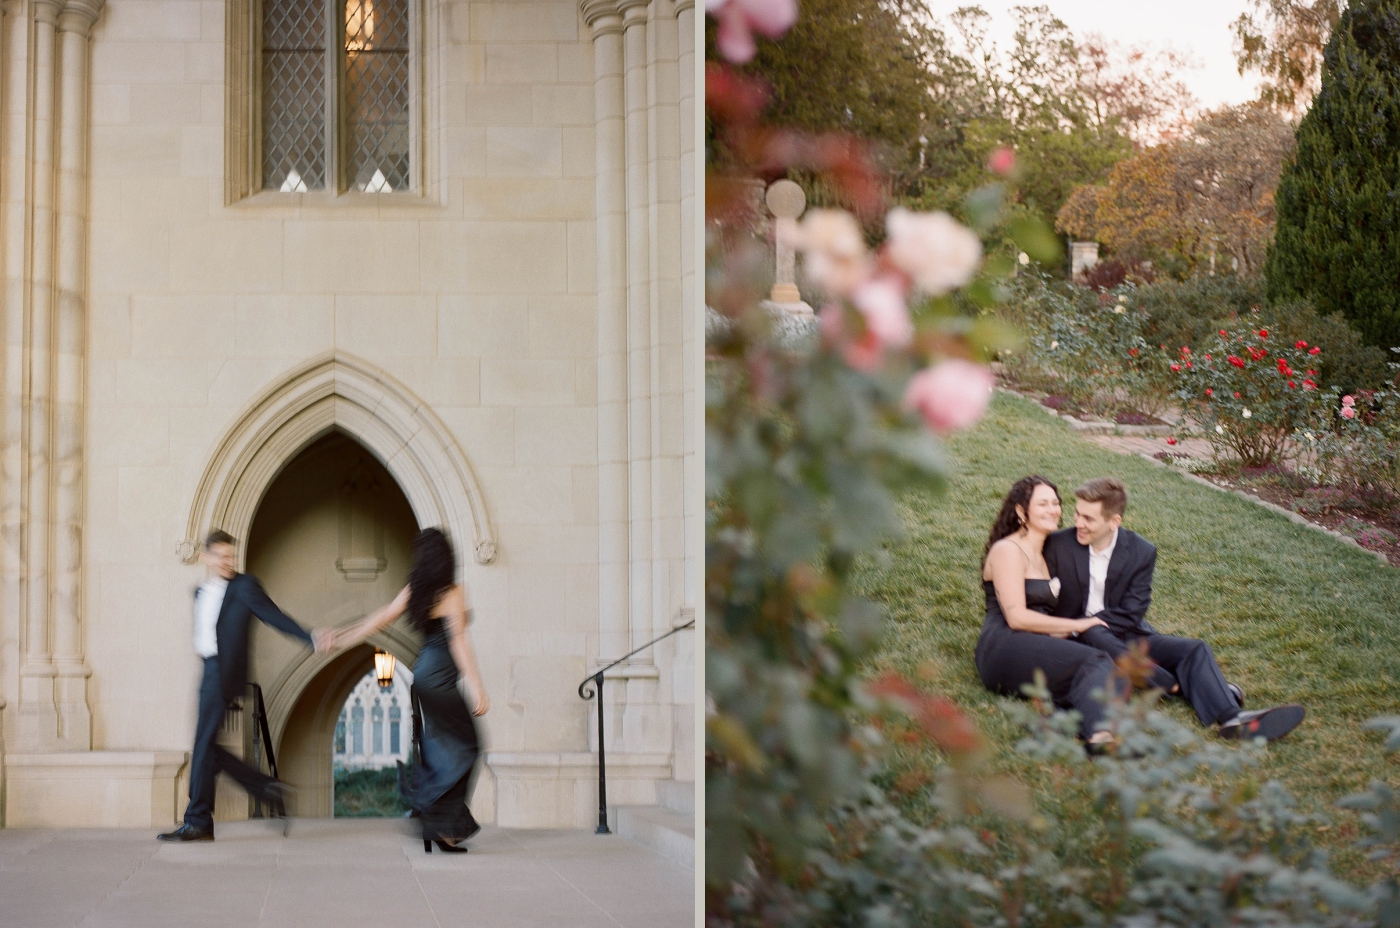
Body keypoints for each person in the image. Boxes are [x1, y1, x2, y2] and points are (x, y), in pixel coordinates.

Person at [1045, 476, 1305, 742]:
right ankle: (1174, 684)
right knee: (1095, 633)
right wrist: (1078, 626)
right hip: (1076, 636)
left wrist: (1095, 622)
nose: (1078, 523)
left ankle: (1232, 717)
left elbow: (1133, 610)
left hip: (1126, 631)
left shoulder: (1140, 551)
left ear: (1114, 522)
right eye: (1077, 514)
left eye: (1088, 518)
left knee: (1194, 649)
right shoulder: (1059, 545)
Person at [158, 530, 332, 842]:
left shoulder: (244, 586)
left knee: (201, 746)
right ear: (208, 558)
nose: (229, 562)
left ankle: (197, 821)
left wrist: (311, 637)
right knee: (207, 748)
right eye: (222, 556)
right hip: (208, 670)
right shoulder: (199, 592)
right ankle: (266, 789)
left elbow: (273, 615)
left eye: (231, 556)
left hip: (223, 675)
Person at [329, 527, 490, 853]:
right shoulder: (453, 592)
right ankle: (430, 813)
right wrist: (477, 688)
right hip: (442, 677)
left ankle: (436, 822)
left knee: (437, 748)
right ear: (447, 558)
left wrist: (343, 636)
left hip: (423, 675)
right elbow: (458, 641)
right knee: (469, 746)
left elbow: (381, 618)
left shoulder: (416, 590)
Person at [974, 475, 1125, 747]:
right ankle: (1100, 736)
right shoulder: (1008, 550)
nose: (1053, 509)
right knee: (1096, 661)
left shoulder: (1045, 555)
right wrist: (1078, 625)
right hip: (1003, 646)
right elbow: (1017, 617)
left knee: (1110, 673)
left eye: (1056, 503)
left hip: (1031, 642)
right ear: (1022, 511)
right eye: (1043, 504)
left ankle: (1060, 717)